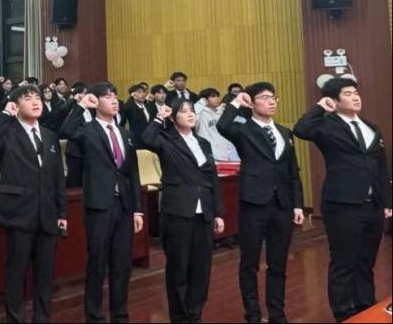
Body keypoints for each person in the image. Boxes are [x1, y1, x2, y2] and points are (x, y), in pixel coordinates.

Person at [293, 78, 391, 322]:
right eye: (347, 93)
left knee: (366, 261)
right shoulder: (327, 126)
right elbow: (301, 129)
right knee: (343, 262)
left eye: (356, 92)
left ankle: (366, 308)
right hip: (342, 204)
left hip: (373, 205)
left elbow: (381, 167)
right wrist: (320, 107)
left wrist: (387, 201)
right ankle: (344, 313)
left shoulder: (371, 127)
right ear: (334, 100)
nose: (355, 96)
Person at [219, 82, 303, 324]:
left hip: (282, 204)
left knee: (278, 263)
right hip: (254, 203)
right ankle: (253, 314)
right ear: (252, 102)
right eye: (265, 97)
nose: (271, 101)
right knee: (250, 263)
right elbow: (223, 125)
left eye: (273, 97)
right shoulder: (243, 130)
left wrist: (298, 204)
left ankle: (277, 314)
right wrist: (237, 101)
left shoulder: (285, 132)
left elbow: (293, 172)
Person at [0, 85, 67, 324]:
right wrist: (5, 113)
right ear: (16, 105)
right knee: (16, 272)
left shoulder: (50, 135)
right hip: (19, 213)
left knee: (45, 274)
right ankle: (15, 319)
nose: (35, 102)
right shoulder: (7, 132)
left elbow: (57, 178)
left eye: (37, 98)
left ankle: (42, 318)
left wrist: (62, 212)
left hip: (47, 214)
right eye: (28, 99)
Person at [62, 83, 144, 324]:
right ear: (96, 102)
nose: (114, 100)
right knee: (97, 262)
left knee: (122, 264)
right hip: (99, 204)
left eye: (115, 96)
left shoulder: (125, 134)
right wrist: (81, 105)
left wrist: (138, 209)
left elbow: (133, 174)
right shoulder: (88, 130)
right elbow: (67, 129)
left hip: (125, 205)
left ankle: (120, 315)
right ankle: (94, 315)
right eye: (107, 97)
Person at [141, 99, 224, 323]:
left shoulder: (203, 143)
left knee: (201, 268)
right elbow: (146, 138)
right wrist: (160, 116)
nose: (190, 114)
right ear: (173, 116)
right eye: (183, 111)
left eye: (192, 111)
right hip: (177, 211)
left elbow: (212, 179)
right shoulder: (166, 139)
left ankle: (195, 315)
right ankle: (180, 317)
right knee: (178, 269)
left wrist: (218, 212)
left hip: (203, 212)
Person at [194, 88, 239, 162]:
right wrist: (200, 103)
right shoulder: (201, 114)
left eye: (217, 96)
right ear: (204, 99)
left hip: (226, 149)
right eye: (213, 96)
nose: (216, 98)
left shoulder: (221, 112)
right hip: (209, 152)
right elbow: (193, 117)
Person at [122, 83, 154, 150]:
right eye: (139, 92)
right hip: (138, 140)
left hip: (151, 138)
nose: (142, 94)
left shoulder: (148, 105)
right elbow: (126, 108)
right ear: (133, 94)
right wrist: (131, 97)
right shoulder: (131, 107)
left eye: (143, 92)